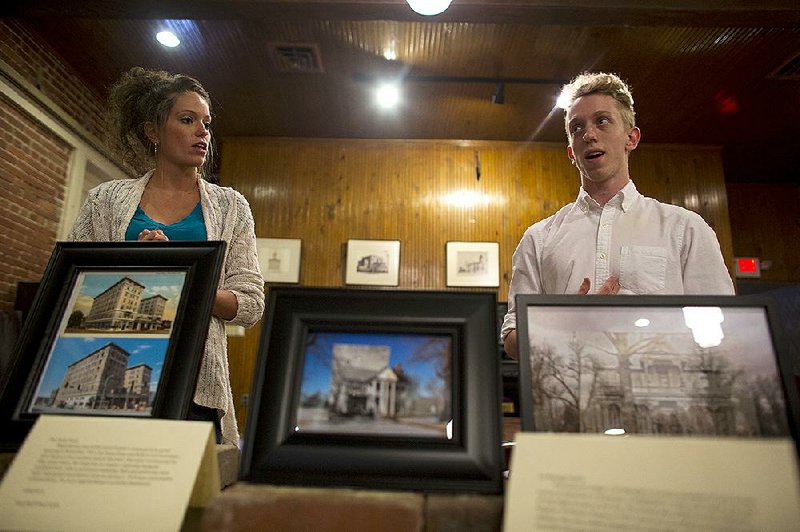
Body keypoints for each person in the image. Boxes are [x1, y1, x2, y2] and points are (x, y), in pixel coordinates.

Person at [67, 67, 265, 445]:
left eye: (206, 123)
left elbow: (251, 305)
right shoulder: (106, 200)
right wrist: (137, 263)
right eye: (187, 120)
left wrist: (184, 275)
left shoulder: (231, 207)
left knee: (187, 499)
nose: (203, 132)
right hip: (109, 374)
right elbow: (73, 285)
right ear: (152, 131)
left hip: (194, 385)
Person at [501, 71, 734, 358]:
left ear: (631, 138)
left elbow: (720, 330)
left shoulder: (686, 229)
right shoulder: (538, 239)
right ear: (571, 153)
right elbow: (512, 343)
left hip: (659, 394)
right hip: (569, 400)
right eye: (577, 127)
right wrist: (566, 322)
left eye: (602, 121)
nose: (588, 134)